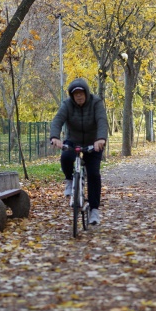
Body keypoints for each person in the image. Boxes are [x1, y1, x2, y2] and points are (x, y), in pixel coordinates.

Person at [49, 78, 108, 225]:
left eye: (81, 93)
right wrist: (55, 137)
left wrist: (101, 139)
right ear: (72, 96)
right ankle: (69, 180)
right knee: (66, 157)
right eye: (76, 94)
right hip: (73, 140)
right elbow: (58, 120)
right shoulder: (67, 105)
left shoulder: (96, 103)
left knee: (93, 174)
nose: (79, 96)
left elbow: (102, 121)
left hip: (93, 142)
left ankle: (94, 210)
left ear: (86, 93)